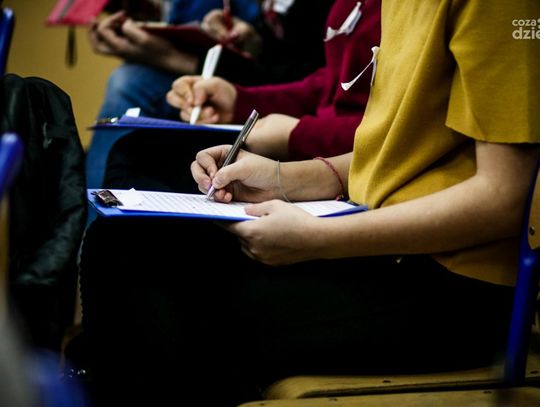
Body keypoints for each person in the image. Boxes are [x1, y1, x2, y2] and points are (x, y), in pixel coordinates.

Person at [79, 1, 540, 406]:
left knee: (159, 287)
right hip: (381, 235)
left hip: (451, 291)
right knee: (127, 241)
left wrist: (320, 238)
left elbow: (507, 198)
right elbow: (406, 149)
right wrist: (284, 180)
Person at [102, 0, 381, 193]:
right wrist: (239, 100)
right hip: (307, 131)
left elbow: (390, 131)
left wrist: (295, 135)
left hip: (338, 154)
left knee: (136, 145)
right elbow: (328, 82)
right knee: (136, 149)